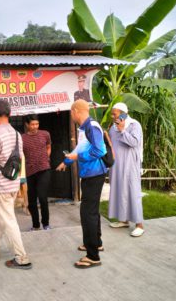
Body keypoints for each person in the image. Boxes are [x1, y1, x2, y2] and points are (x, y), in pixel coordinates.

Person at [56, 100, 107, 269]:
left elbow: (100, 151)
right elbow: (79, 148)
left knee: (88, 213)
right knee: (91, 211)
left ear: (76, 111)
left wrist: (77, 158)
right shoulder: (85, 128)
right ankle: (96, 243)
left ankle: (93, 256)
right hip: (90, 174)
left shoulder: (91, 127)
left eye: (71, 112)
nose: (70, 115)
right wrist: (67, 162)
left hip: (94, 174)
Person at [0, 100, 32, 270]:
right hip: (12, 183)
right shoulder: (17, 134)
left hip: (0, 185)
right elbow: (18, 160)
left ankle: (21, 257)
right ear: (9, 114)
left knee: (8, 220)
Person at [108, 102, 144, 237]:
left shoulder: (134, 125)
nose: (112, 116)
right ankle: (123, 220)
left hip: (130, 166)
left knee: (132, 192)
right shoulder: (113, 127)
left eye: (114, 113)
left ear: (124, 113)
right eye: (112, 114)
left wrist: (123, 130)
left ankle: (139, 224)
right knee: (119, 191)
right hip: (116, 166)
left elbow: (134, 142)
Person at [22, 114, 52, 231]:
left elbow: (48, 146)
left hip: (44, 168)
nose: (35, 126)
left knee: (43, 197)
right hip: (30, 170)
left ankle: (46, 223)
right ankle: (35, 225)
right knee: (32, 200)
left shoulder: (45, 134)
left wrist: (46, 157)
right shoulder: (22, 138)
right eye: (32, 124)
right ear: (27, 125)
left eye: (37, 124)